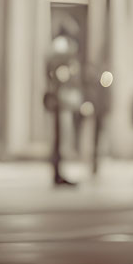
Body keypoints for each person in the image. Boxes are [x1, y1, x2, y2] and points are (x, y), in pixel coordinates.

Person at [44, 26, 83, 187]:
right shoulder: (62, 49)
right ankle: (58, 172)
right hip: (62, 99)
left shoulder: (58, 48)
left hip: (62, 99)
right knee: (60, 137)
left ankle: (58, 171)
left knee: (61, 137)